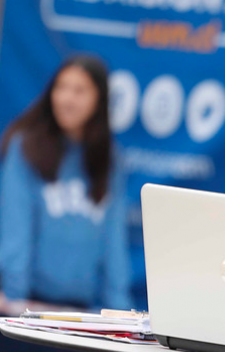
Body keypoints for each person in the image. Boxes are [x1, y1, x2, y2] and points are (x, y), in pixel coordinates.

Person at [0, 55, 131, 314]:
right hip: (27, 305)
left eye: (80, 90)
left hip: (82, 313)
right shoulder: (25, 148)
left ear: (99, 99)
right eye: (61, 87)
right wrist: (14, 302)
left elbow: (114, 243)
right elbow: (15, 231)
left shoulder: (110, 160)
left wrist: (121, 311)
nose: (67, 99)